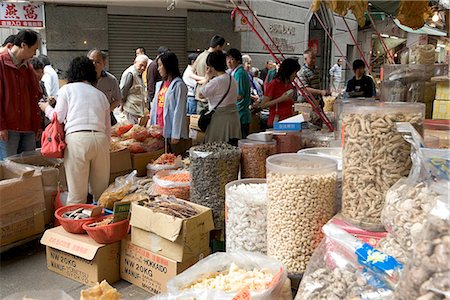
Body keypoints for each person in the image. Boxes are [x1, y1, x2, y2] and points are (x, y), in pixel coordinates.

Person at [39, 56, 110, 205]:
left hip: (77, 140)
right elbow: (107, 128)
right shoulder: (101, 95)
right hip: (101, 140)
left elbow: (58, 117)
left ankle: (75, 226)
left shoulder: (67, 90)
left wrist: (46, 108)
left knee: (77, 194)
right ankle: (101, 224)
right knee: (101, 193)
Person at [0, 29, 42, 161]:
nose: (35, 53)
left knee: (29, 168)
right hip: (9, 129)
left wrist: (37, 126)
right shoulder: (1, 63)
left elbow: (35, 96)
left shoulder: (28, 67)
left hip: (28, 128)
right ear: (23, 45)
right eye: (34, 49)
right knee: (9, 168)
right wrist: (1, 126)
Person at [150, 52, 188, 154]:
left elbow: (179, 111)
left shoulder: (179, 85)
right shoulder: (160, 85)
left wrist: (176, 134)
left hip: (171, 131)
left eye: (161, 65)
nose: (158, 69)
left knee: (174, 158)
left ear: (168, 65)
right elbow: (155, 107)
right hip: (159, 130)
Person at [200, 51, 241, 144]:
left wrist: (207, 77)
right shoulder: (232, 79)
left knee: (217, 148)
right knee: (231, 147)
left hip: (219, 120)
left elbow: (200, 94)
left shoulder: (216, 81)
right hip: (233, 118)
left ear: (212, 66)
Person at [190, 35, 226, 113]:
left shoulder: (200, 56)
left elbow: (191, 73)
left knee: (200, 122)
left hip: (199, 95)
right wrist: (205, 79)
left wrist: (200, 80)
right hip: (209, 96)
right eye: (222, 47)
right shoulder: (214, 59)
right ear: (218, 46)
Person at [261, 58, 300, 127]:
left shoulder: (290, 85)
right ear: (288, 72)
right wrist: (281, 99)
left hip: (288, 121)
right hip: (276, 121)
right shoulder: (274, 84)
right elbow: (263, 105)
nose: (295, 76)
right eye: (294, 73)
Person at [88, 48, 122, 126]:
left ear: (104, 64)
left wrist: (106, 110)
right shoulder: (82, 80)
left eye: (97, 62)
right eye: (91, 61)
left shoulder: (111, 80)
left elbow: (118, 99)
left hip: (106, 117)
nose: (93, 64)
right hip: (88, 119)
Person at [226, 48, 251, 138]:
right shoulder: (235, 72)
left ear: (238, 61)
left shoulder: (239, 73)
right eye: (227, 59)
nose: (229, 62)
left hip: (240, 115)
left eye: (232, 59)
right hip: (239, 114)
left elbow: (239, 95)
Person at [120, 54, 149, 124]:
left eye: (145, 66)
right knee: (131, 129)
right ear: (135, 63)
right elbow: (123, 91)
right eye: (141, 65)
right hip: (130, 107)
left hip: (136, 108)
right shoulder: (130, 74)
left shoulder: (138, 73)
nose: (143, 68)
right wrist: (122, 105)